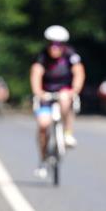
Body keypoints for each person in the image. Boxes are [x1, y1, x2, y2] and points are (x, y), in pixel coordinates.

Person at [31, 25, 85, 178]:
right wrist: (39, 92)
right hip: (46, 94)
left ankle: (67, 133)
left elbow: (79, 73)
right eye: (52, 44)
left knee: (65, 99)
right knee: (43, 125)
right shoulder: (41, 57)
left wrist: (74, 90)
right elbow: (36, 75)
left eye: (59, 44)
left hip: (64, 91)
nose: (55, 47)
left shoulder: (70, 55)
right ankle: (43, 158)